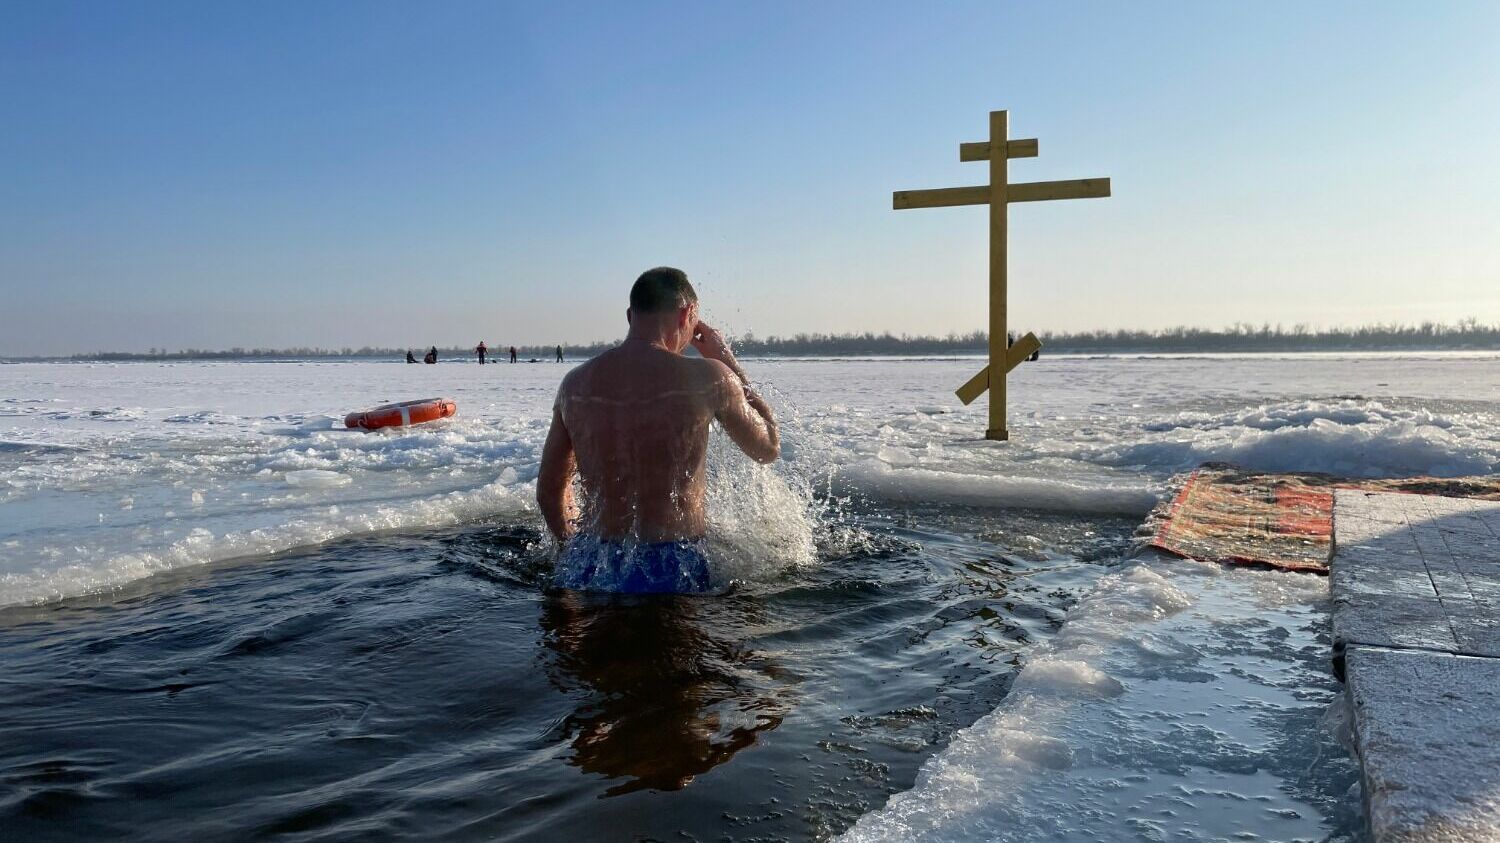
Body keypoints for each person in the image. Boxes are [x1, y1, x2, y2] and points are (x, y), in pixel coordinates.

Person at [537, 266, 779, 594]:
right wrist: (729, 362)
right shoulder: (708, 378)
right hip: (676, 568)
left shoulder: (575, 385)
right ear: (688, 314)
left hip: (594, 565)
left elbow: (551, 491)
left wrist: (574, 551)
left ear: (629, 315)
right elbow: (767, 448)